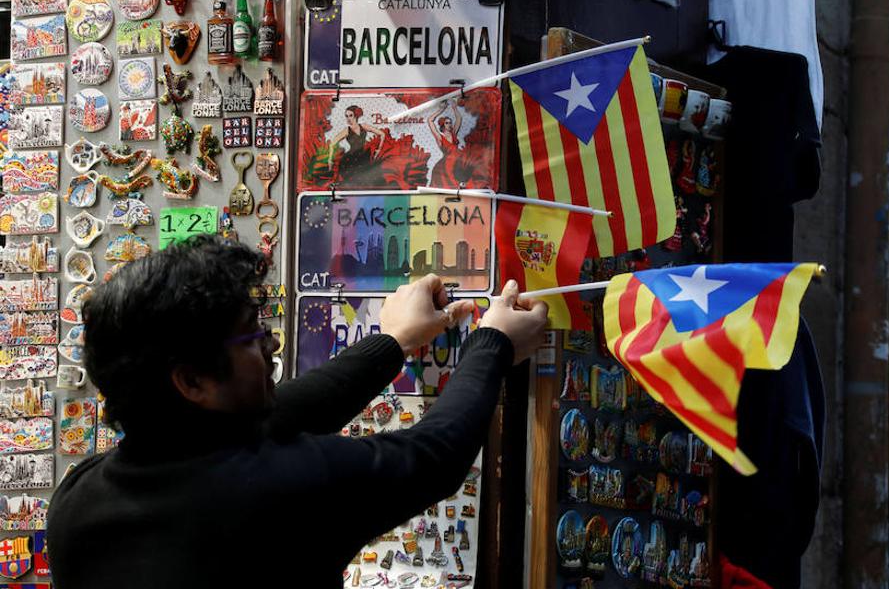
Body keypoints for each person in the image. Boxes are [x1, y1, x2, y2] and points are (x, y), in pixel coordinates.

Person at [47, 235, 547, 588]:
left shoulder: (79, 499)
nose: (270, 345)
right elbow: (432, 456)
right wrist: (493, 343)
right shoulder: (273, 492)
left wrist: (394, 340)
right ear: (192, 380)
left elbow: (286, 410)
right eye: (251, 334)